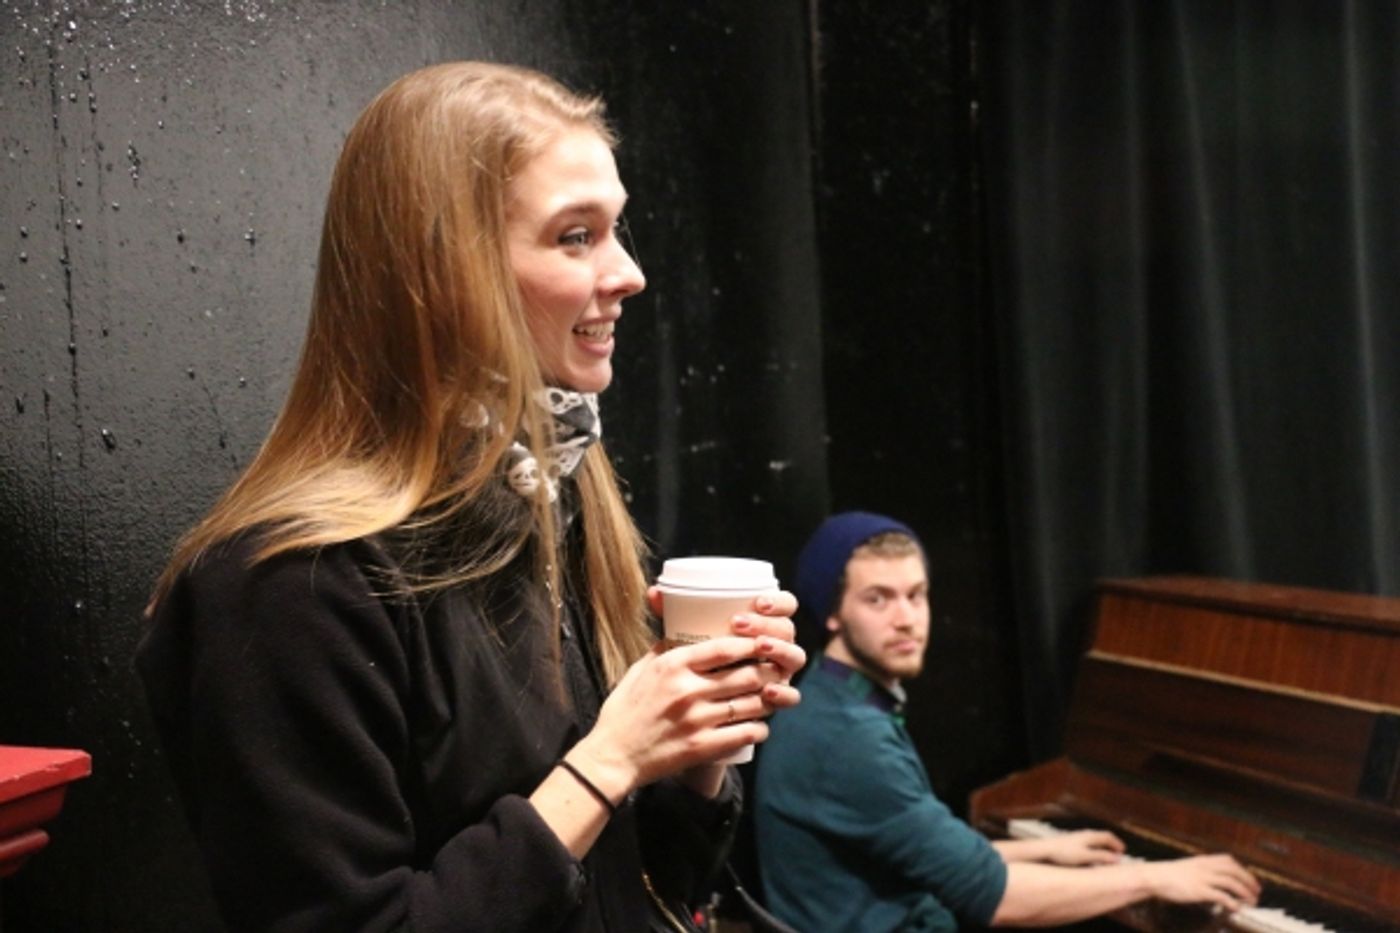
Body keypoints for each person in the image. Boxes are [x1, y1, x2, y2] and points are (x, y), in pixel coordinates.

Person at [136, 61, 806, 933]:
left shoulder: (549, 506)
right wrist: (609, 758)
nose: (629, 272)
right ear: (446, 270)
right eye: (576, 236)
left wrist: (691, 752)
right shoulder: (285, 584)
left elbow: (648, 885)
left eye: (617, 228)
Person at [753, 511, 1260, 931]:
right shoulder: (850, 739)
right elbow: (993, 899)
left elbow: (916, 848)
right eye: (878, 599)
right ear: (833, 613)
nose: (907, 617)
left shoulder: (825, 697)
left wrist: (1043, 851)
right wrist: (1155, 878)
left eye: (917, 594)